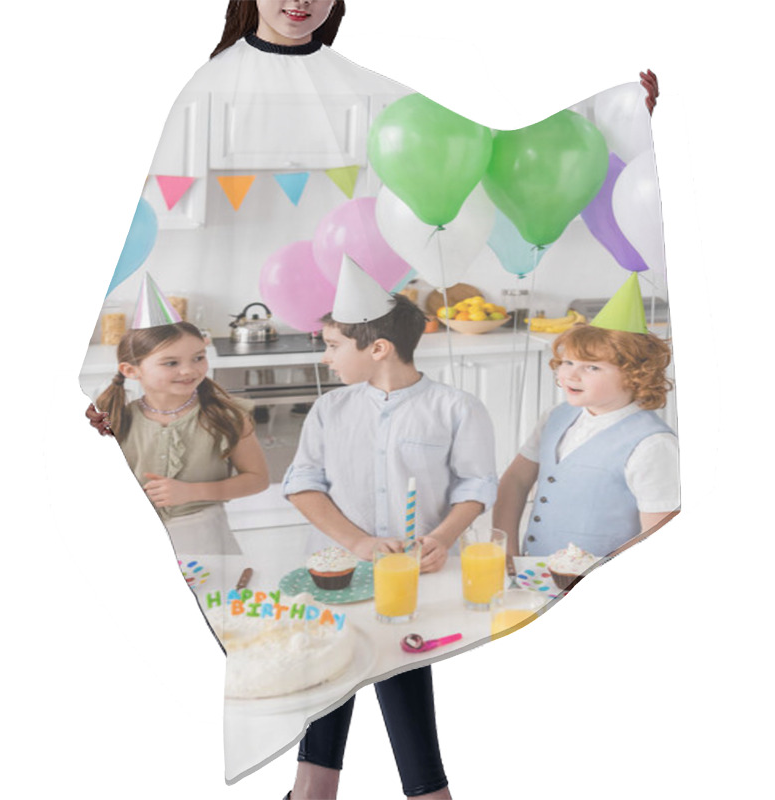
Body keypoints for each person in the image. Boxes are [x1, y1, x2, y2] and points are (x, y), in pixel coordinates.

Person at [282, 256, 497, 799]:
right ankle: (316, 790)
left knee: (401, 660)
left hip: (418, 574)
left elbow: (475, 487)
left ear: (377, 348)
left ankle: (423, 791)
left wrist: (443, 537)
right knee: (333, 666)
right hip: (337, 571)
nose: (326, 357)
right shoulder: (329, 411)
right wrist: (357, 542)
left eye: (333, 345)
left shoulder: (456, 409)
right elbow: (303, 484)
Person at [492, 277, 678, 560]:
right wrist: (504, 551)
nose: (570, 375)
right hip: (537, 573)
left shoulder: (653, 445)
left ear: (634, 374)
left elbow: (656, 536)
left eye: (591, 367)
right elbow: (515, 480)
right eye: (568, 362)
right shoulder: (555, 417)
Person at [96, 305, 269, 555]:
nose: (189, 370)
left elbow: (257, 479)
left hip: (206, 538)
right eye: (171, 363)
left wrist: (192, 492)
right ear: (131, 370)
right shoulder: (113, 420)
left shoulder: (227, 417)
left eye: (198, 357)